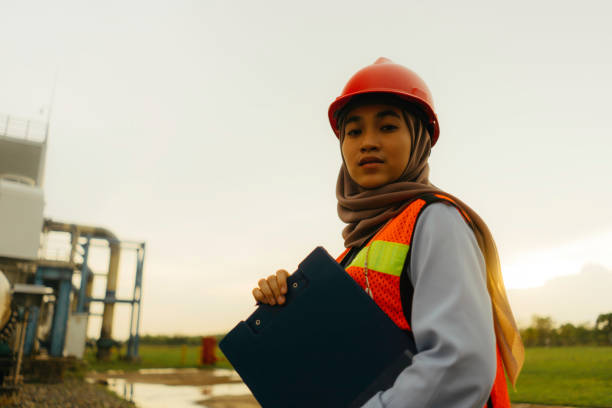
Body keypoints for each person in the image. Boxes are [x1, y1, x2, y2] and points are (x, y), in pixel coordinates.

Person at [251, 57, 524, 408]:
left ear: (419, 139)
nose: (367, 142)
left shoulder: (436, 220)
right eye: (354, 131)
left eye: (388, 127)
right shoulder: (354, 250)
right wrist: (289, 308)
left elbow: (460, 366)